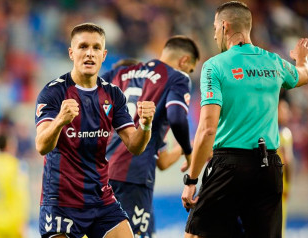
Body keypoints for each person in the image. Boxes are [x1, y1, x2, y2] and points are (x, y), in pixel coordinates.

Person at [181, 1, 308, 238]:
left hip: (230, 165)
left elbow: (208, 129)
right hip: (269, 167)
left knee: (195, 235)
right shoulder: (274, 62)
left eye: (215, 28)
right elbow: (303, 75)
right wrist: (301, 59)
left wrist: (192, 180)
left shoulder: (214, 66)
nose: (214, 34)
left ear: (225, 26)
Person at [35, 23, 155, 238]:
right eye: (82, 47)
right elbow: (41, 145)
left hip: (101, 199)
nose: (89, 53)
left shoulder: (113, 95)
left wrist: (145, 124)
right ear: (71, 53)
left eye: (96, 47)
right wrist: (60, 120)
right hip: (62, 201)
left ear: (104, 54)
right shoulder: (53, 92)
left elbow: (135, 146)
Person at [102, 35, 199, 237]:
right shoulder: (175, 79)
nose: (187, 74)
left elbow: (162, 161)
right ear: (184, 61)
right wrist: (190, 153)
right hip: (133, 176)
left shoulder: (120, 72)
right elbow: (177, 117)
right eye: (189, 69)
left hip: (102, 172)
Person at [277, 97, 294, 237]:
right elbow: (288, 160)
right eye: (284, 109)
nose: (287, 113)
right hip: (280, 185)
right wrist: (288, 184)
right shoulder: (284, 133)